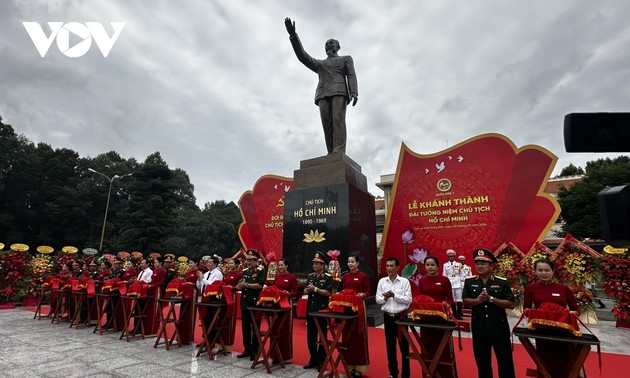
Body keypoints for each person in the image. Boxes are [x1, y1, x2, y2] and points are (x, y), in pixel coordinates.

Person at [284, 17, 358, 155]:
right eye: (326, 45)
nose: (328, 46)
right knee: (326, 125)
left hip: (339, 91)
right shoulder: (320, 64)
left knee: (338, 120)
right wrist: (293, 35)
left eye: (331, 43)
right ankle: (331, 153)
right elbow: (303, 57)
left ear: (338, 46)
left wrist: (354, 91)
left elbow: (351, 75)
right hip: (322, 94)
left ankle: (338, 151)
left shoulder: (346, 59)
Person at [523, 258, 582, 377]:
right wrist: (538, 313)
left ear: (553, 271)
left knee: (564, 360)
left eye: (547, 270)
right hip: (542, 331)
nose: (543, 273)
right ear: (535, 272)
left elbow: (576, 310)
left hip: (563, 331)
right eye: (540, 270)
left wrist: (570, 314)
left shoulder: (563, 289)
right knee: (544, 359)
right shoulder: (530, 288)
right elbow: (526, 310)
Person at [462, 248, 516, 378]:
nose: (479, 266)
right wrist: (479, 300)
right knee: (482, 362)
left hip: (498, 328)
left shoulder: (501, 282)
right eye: (477, 263)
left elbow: (511, 303)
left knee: (505, 362)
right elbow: (465, 301)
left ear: (491, 265)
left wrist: (491, 299)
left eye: (483, 263)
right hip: (479, 327)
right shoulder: (470, 282)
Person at [417, 256, 456, 378]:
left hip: (441, 319)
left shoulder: (444, 280)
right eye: (427, 265)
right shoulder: (422, 280)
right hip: (426, 320)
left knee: (442, 349)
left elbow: (451, 300)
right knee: (427, 348)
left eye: (432, 265)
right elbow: (419, 298)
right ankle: (429, 374)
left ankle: (445, 375)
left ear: (438, 266)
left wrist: (446, 305)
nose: (430, 267)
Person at [376, 257, 412, 378]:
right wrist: (386, 298)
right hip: (388, 317)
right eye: (387, 266)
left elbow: (408, 300)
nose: (389, 268)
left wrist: (394, 296)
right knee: (390, 347)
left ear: (397, 268)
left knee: (404, 347)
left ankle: (406, 374)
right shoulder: (382, 281)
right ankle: (393, 373)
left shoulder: (404, 282)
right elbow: (378, 299)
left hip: (401, 318)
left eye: (392, 266)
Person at [339, 254, 371, 377]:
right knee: (347, 336)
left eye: (352, 262)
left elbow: (368, 291)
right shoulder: (345, 276)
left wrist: (363, 294)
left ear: (358, 263)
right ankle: (349, 366)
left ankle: (359, 367)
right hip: (346, 308)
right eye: (348, 262)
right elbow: (343, 290)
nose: (350, 264)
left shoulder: (363, 277)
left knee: (358, 336)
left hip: (358, 309)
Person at [303, 251, 334, 371]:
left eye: (317, 263)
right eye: (314, 263)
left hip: (321, 310)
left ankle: (322, 359)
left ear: (323, 265)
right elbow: (305, 290)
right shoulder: (311, 276)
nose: (314, 265)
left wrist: (315, 289)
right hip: (310, 309)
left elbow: (328, 292)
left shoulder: (327, 277)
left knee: (322, 335)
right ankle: (313, 358)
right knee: (311, 335)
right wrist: (307, 290)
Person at [235, 250, 266, 360]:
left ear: (256, 261)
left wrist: (246, 285)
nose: (248, 262)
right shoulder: (244, 271)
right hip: (244, 301)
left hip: (255, 302)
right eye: (247, 260)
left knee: (255, 327)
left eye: (250, 260)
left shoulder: (261, 271)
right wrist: (238, 286)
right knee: (245, 327)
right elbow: (240, 285)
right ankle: (247, 349)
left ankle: (255, 350)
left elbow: (259, 285)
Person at [269, 258, 298, 364]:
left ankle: (286, 357)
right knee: (274, 329)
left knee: (285, 330)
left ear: (287, 266)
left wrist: (288, 294)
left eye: (282, 265)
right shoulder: (276, 277)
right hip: (276, 305)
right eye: (279, 265)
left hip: (286, 306)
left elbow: (295, 293)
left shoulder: (292, 277)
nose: (280, 267)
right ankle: (275, 355)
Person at [442, 249, 464, 319]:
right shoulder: (445, 265)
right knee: (452, 299)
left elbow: (461, 274)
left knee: (459, 299)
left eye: (452, 256)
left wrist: (462, 283)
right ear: (448, 257)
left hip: (457, 282)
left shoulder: (459, 264)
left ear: (454, 257)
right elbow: (445, 275)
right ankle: (454, 314)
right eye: (449, 256)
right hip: (450, 282)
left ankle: (459, 313)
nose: (451, 258)